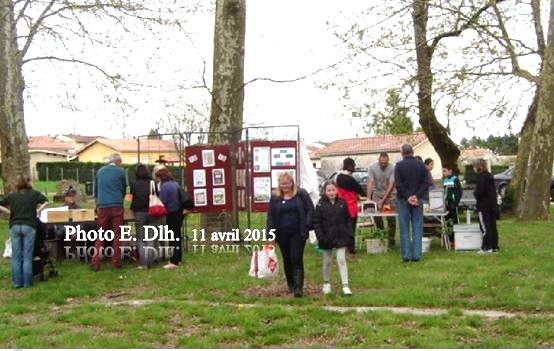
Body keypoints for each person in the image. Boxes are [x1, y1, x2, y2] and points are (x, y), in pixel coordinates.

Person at [266, 172, 314, 297]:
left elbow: (310, 210)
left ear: (292, 183)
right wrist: (270, 236)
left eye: (287, 183)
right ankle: (291, 284)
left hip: (298, 232)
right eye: (282, 184)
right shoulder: (275, 197)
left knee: (296, 258)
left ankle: (299, 287)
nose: (285, 186)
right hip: (282, 233)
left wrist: (307, 225)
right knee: (287, 259)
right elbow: (270, 217)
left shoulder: (301, 194)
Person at [0, 176, 48, 288]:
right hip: (29, 226)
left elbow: (1, 204)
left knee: (16, 256)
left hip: (15, 226)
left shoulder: (12, 196)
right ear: (28, 183)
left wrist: (10, 212)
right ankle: (27, 282)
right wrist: (37, 210)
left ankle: (17, 282)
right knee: (27, 255)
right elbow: (46, 201)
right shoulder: (34, 194)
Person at [313, 180, 352, 295]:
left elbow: (348, 220)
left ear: (337, 190)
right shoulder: (320, 205)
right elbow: (317, 222)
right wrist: (321, 237)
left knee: (341, 259)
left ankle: (345, 285)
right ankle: (326, 282)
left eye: (333, 190)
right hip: (326, 237)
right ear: (324, 192)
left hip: (340, 236)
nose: (331, 193)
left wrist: (348, 233)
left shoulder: (342, 203)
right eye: (328, 190)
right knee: (327, 261)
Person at [91, 153, 127, 271]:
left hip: (103, 205)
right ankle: (116, 261)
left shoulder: (100, 171)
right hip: (116, 205)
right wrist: (120, 198)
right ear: (117, 161)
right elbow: (123, 188)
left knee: (101, 234)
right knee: (117, 234)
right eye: (120, 162)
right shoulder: (121, 171)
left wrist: (97, 203)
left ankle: (96, 261)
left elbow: (96, 190)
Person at [394, 144, 429, 262]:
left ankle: (406, 255)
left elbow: (398, 185)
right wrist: (416, 196)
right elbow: (425, 183)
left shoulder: (398, 166)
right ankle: (416, 255)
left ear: (402, 153)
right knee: (417, 226)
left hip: (404, 199)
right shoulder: (421, 165)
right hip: (417, 199)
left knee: (404, 227)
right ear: (412, 152)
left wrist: (408, 196)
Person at [156, 166, 185, 269]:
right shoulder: (175, 184)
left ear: (160, 177)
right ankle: (178, 258)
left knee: (172, 238)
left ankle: (174, 261)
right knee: (177, 236)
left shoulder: (164, 186)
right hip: (179, 212)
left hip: (171, 213)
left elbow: (162, 201)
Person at [130, 164, 158, 269]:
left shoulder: (133, 183)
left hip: (139, 212)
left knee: (140, 239)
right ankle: (150, 261)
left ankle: (143, 263)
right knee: (150, 237)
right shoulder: (153, 183)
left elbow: (133, 195)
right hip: (152, 211)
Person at [366, 153, 396, 247]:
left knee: (391, 217)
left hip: (390, 195)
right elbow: (370, 182)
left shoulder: (392, 167)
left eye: (385, 163)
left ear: (388, 161)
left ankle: (391, 240)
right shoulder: (372, 167)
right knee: (377, 216)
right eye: (381, 163)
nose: (383, 164)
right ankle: (381, 237)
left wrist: (383, 200)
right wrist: (368, 198)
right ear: (378, 160)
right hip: (377, 194)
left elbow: (391, 184)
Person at [336, 157, 363, 254]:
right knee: (351, 229)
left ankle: (343, 247)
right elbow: (360, 190)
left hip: (341, 206)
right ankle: (351, 250)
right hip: (351, 206)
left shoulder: (338, 177)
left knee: (343, 229)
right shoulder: (351, 179)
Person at [473, 159, 499, 253]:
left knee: (485, 227)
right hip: (492, 205)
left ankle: (486, 247)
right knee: (492, 226)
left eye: (474, 167)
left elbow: (479, 193)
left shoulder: (481, 178)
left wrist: (475, 193)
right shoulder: (489, 176)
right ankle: (494, 246)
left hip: (484, 206)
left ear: (478, 167)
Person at [442, 165, 462, 231]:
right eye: (443, 171)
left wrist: (455, 203)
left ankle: (456, 236)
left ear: (450, 171)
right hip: (446, 204)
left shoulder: (455, 179)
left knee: (454, 220)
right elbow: (445, 191)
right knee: (447, 221)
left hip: (453, 203)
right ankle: (449, 237)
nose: (443, 173)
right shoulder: (444, 180)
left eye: (445, 171)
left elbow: (459, 192)